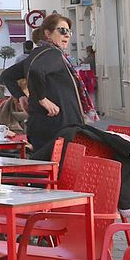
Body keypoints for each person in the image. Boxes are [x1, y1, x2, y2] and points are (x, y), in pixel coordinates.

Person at [25, 14, 80, 162]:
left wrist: (21, 96)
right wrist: (42, 99)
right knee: (56, 169)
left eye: (69, 31)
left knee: (46, 168)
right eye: (62, 30)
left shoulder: (39, 53)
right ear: (48, 34)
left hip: (45, 125)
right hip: (58, 127)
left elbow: (9, 76)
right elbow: (37, 71)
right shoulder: (53, 53)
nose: (67, 35)